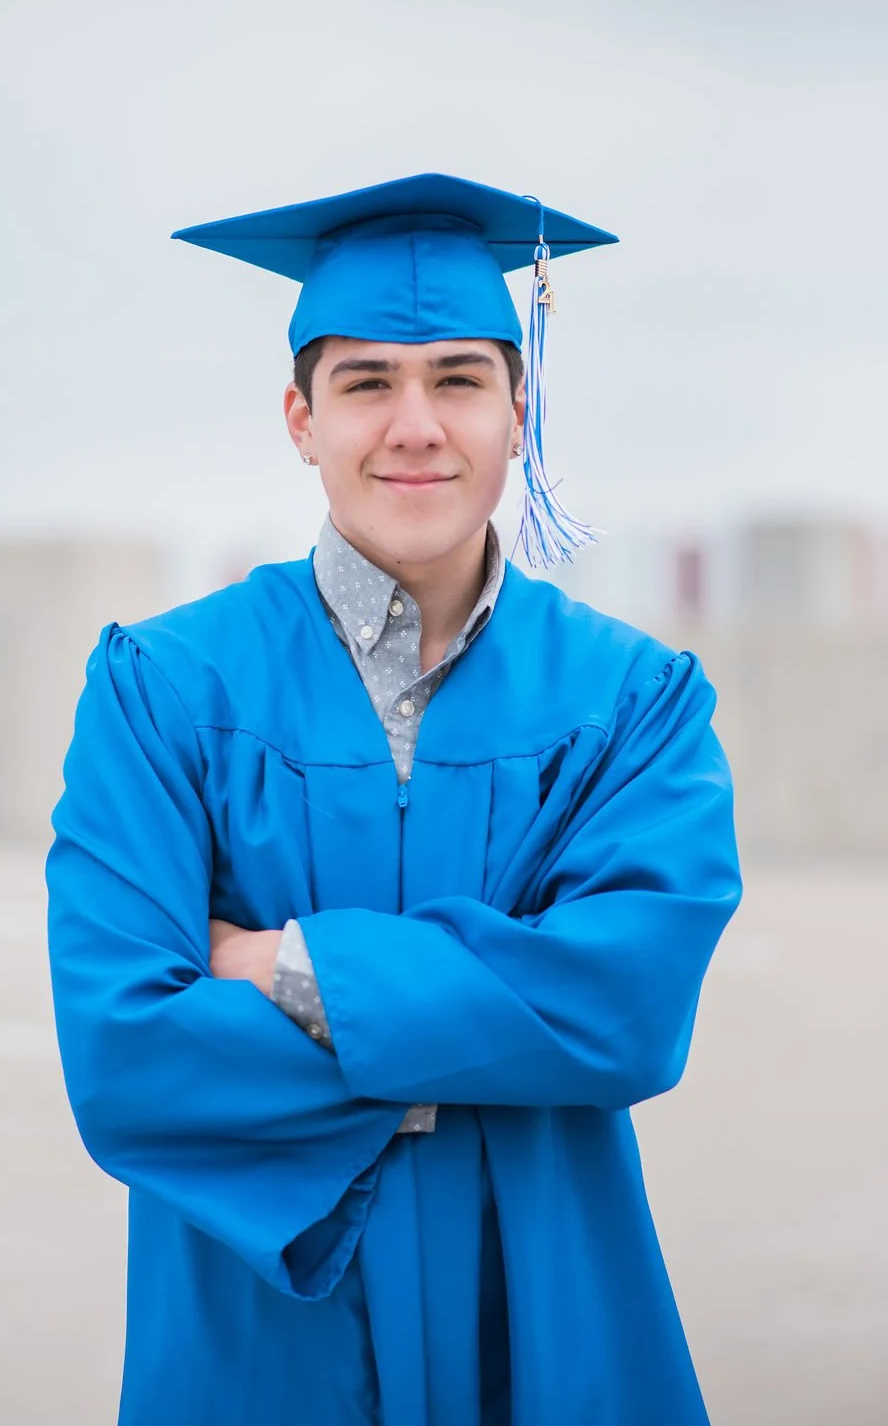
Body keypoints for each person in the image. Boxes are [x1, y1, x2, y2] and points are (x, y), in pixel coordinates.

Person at [46, 173, 742, 1426]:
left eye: (459, 379)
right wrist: (488, 1041)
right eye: (367, 382)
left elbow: (629, 1013)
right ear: (300, 418)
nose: (414, 424)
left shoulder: (636, 702)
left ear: (518, 412)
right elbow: (124, 1056)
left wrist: (283, 968)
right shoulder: (161, 691)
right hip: (262, 1346)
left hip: (553, 1328)